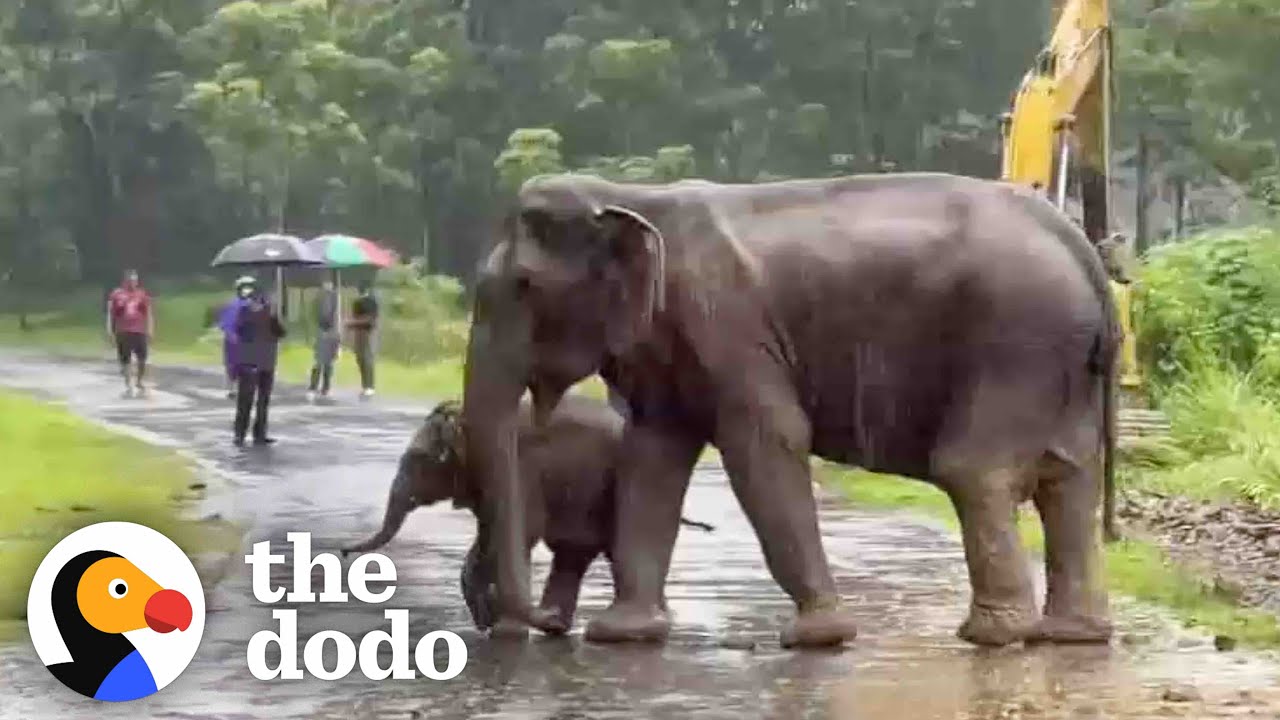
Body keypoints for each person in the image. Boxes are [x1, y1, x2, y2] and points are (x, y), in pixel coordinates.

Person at [233, 280, 286, 446]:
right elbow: (280, 333)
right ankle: (248, 433)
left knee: (257, 399)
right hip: (258, 360)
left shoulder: (257, 313)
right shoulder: (251, 312)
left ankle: (250, 433)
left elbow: (280, 332)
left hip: (258, 360)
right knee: (252, 399)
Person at [106, 269, 153, 397]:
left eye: (135, 280)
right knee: (125, 359)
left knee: (142, 358)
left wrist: (150, 329)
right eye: (131, 280)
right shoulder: (117, 294)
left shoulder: (142, 295)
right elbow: (111, 314)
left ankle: (139, 381)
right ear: (125, 280)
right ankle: (128, 385)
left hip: (139, 331)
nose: (133, 282)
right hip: (123, 331)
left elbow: (148, 313)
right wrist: (110, 330)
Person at [217, 277, 255, 399]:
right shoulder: (233, 305)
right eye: (244, 287)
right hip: (234, 341)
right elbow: (226, 324)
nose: (247, 290)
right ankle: (232, 388)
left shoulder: (256, 304)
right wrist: (232, 336)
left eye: (249, 287)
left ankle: (247, 387)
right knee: (232, 365)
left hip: (250, 341)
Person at [306, 277, 341, 403]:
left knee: (323, 362)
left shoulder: (327, 297)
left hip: (327, 332)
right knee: (324, 362)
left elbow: (325, 316)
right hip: (327, 332)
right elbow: (324, 316)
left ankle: (319, 387)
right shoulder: (328, 297)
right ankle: (321, 387)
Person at [347, 282, 379, 398]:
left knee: (366, 359)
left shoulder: (371, 302)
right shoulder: (357, 302)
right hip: (360, 332)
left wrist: (352, 324)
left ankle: (369, 386)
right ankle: (366, 385)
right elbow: (356, 317)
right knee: (361, 359)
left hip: (367, 332)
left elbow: (370, 319)